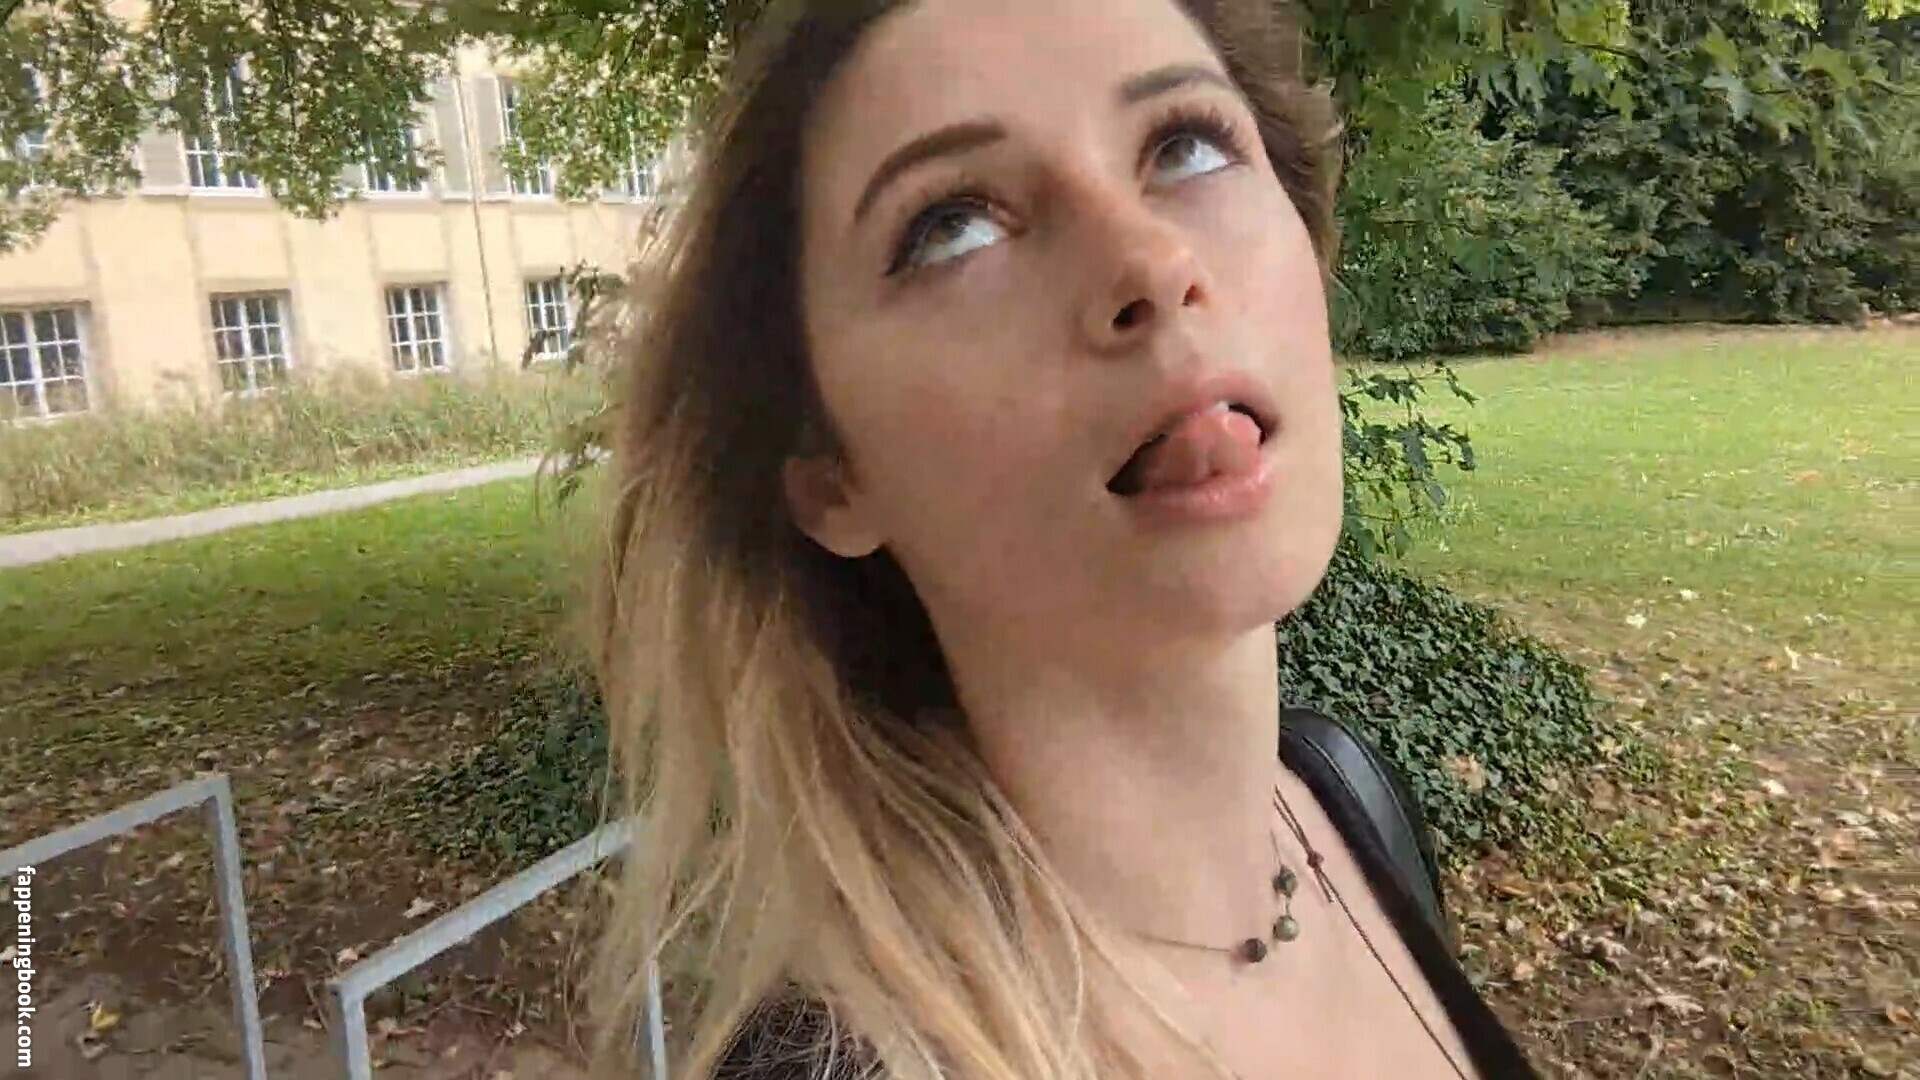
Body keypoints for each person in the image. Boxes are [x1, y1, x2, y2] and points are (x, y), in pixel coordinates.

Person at [586, 0, 1539, 1077]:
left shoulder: (1350, 800)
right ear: (830, 473)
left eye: (1186, 145)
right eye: (952, 225)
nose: (1151, 260)